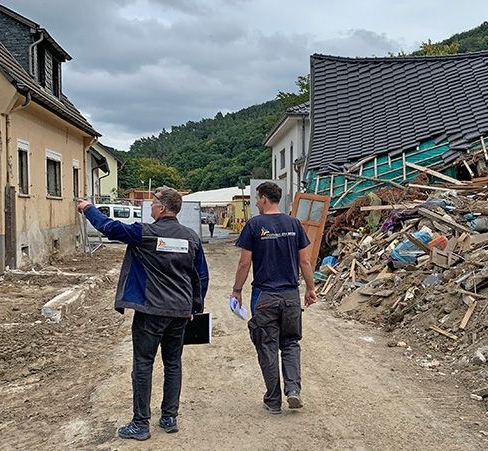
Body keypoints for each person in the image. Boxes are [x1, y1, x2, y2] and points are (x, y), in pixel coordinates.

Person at [77, 187, 209, 441]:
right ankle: (169, 417)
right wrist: (195, 307)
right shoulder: (191, 237)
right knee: (173, 363)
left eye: (153, 202)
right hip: (180, 312)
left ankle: (141, 423)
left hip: (151, 311)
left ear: (162, 207)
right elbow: (200, 275)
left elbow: (110, 228)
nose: (150, 206)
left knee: (143, 364)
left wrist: (88, 209)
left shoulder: (145, 233)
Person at [231, 182, 316, 415]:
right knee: (290, 343)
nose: (256, 203)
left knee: (267, 346)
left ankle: (273, 400)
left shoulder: (254, 225)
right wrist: (310, 288)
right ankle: (293, 390)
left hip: (265, 296)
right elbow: (305, 262)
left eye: (257, 199)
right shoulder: (294, 224)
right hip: (290, 296)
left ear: (265, 199)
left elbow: (244, 263)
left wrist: (237, 290)